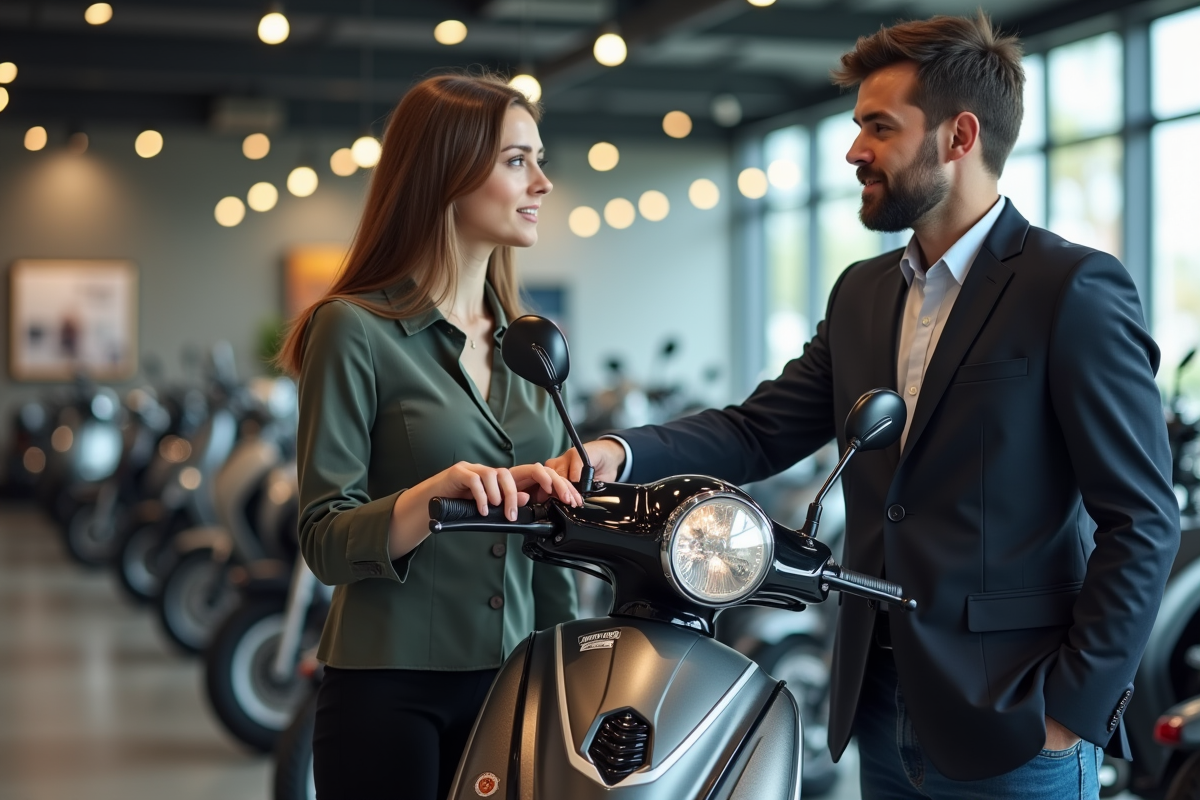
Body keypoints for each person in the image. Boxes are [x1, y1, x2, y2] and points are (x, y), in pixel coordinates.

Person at [546, 12, 1179, 799]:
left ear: (959, 136)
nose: (854, 151)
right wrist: (620, 455)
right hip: (877, 704)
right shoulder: (863, 292)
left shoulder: (1071, 288)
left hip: (1018, 723)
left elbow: (1143, 516)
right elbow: (759, 428)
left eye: (879, 128)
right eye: (855, 128)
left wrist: (1072, 710)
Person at [278, 73, 582, 800]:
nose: (541, 181)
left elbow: (549, 539)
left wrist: (571, 668)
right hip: (388, 692)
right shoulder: (351, 328)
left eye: (539, 159)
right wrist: (429, 497)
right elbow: (323, 537)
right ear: (446, 170)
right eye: (517, 160)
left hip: (518, 687)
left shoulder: (529, 344)